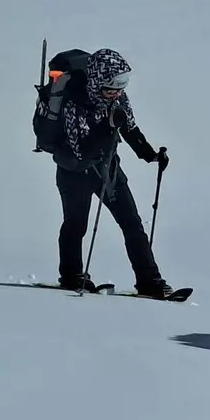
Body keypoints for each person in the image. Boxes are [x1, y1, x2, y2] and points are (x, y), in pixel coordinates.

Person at [46, 48, 176, 298]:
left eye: (122, 85)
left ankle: (150, 280)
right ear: (96, 82)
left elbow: (130, 128)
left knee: (132, 224)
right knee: (76, 225)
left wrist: (150, 155)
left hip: (108, 170)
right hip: (74, 173)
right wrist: (107, 127)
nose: (117, 92)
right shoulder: (75, 102)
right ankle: (72, 276)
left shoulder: (117, 99)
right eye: (111, 87)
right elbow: (80, 151)